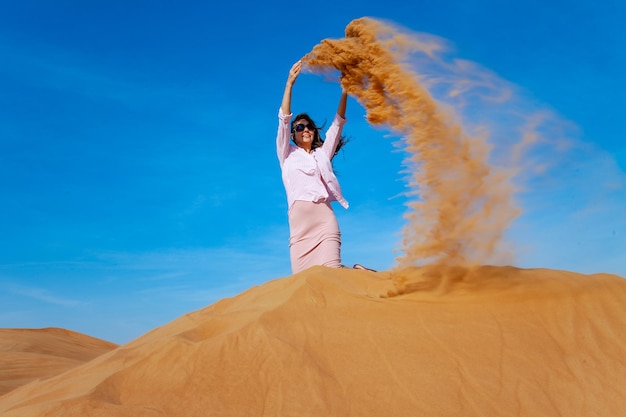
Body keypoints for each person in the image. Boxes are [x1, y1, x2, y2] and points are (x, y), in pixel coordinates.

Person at [276, 60, 375, 274]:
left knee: (332, 273)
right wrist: (289, 84)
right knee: (302, 280)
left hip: (323, 219)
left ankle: (358, 274)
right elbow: (284, 120)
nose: (305, 129)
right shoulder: (286, 153)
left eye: (309, 126)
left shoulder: (322, 154)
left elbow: (338, 123)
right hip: (299, 228)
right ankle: (356, 272)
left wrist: (345, 90)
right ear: (292, 135)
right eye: (300, 127)